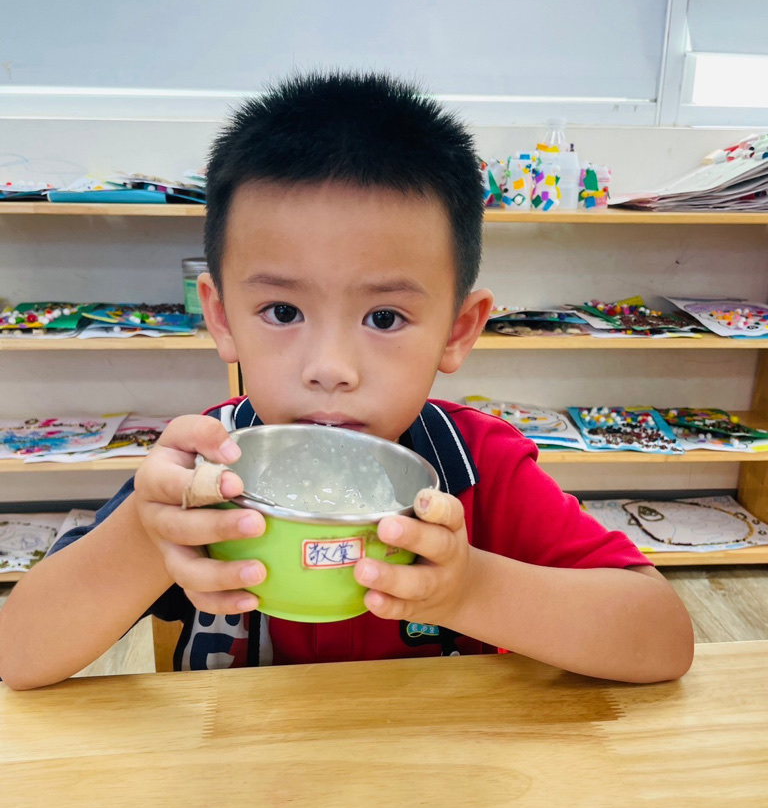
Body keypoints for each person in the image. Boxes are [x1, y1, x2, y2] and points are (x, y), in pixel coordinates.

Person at [0, 71, 694, 690]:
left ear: (457, 331)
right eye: (282, 312)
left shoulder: (479, 466)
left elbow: (662, 638)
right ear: (222, 317)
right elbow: (20, 656)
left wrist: (470, 589)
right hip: (240, 779)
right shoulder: (199, 472)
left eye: (384, 317)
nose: (330, 368)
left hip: (437, 778)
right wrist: (146, 538)